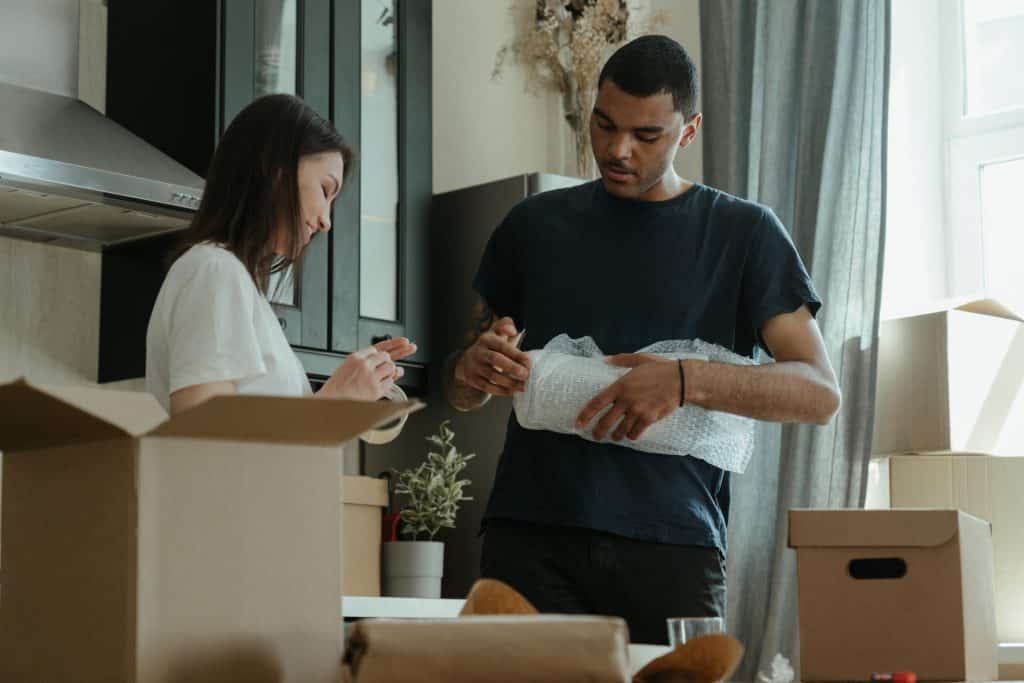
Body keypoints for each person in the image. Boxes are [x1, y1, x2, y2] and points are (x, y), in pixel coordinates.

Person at [443, 35, 841, 644]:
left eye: (646, 135)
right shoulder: (533, 226)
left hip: (673, 548)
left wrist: (684, 380)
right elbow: (462, 386)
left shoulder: (744, 234)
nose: (617, 149)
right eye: (604, 125)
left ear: (689, 130)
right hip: (529, 539)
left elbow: (818, 393)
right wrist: (472, 372)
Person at [147, 94, 415, 415]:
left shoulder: (239, 285)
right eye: (325, 190)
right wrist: (335, 403)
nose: (326, 221)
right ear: (277, 172)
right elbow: (202, 440)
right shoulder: (215, 269)